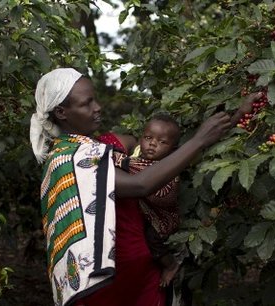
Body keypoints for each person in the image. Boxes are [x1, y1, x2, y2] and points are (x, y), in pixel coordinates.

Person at [29, 67, 256, 306]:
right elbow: (140, 185)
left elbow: (165, 153)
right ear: (62, 112)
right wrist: (200, 139)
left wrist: (236, 116)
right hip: (106, 288)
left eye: (94, 99)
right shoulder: (68, 159)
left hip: (144, 277)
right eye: (87, 104)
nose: (97, 107)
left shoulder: (104, 145)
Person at [98, 114, 183, 289]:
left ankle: (171, 265)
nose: (152, 144)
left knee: (153, 243)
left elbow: (120, 161)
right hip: (145, 210)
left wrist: (96, 153)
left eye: (162, 142)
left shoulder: (159, 166)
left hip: (160, 220)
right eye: (148, 138)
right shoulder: (138, 152)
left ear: (173, 150)